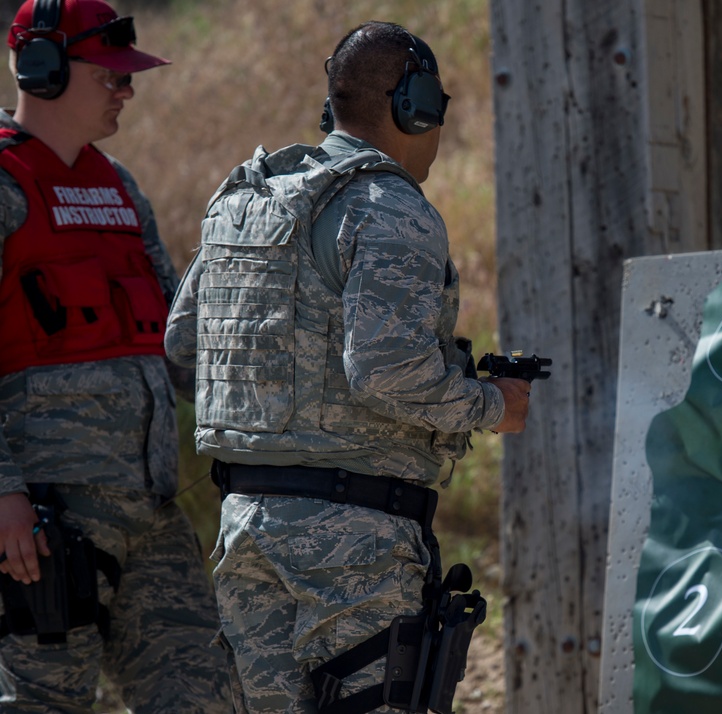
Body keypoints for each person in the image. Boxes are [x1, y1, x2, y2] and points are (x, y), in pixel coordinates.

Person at [164, 20, 531, 714]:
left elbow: (185, 356)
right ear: (412, 105)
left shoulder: (245, 201)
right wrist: (492, 405)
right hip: (355, 546)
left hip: (246, 528)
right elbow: (386, 371)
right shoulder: (393, 209)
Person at [0, 1, 232, 711]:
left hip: (152, 511)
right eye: (113, 76)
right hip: (42, 526)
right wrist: (2, 492)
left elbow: (178, 347)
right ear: (44, 71)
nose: (128, 90)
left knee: (206, 696)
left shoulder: (121, 188)